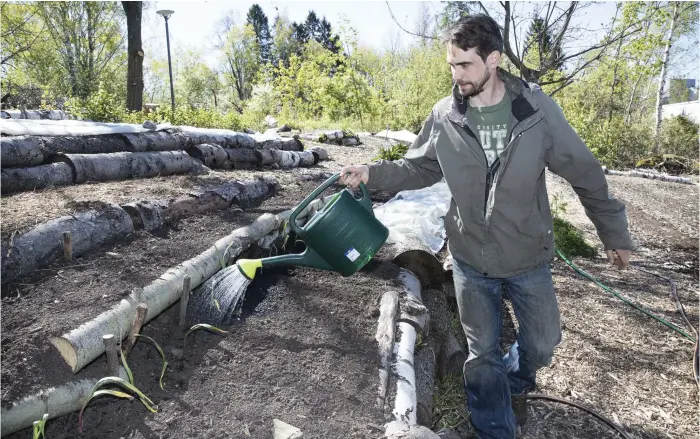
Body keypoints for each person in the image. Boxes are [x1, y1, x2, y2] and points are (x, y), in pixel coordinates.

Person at [339, 14, 633, 439]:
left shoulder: (535, 110)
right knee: (481, 355)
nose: (456, 75)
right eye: (452, 66)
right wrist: (372, 172)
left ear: (493, 59)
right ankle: (496, 425)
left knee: (543, 342)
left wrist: (614, 232)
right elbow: (419, 167)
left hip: (527, 255)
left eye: (465, 65)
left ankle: (514, 379)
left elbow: (584, 171)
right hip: (470, 257)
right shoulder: (445, 115)